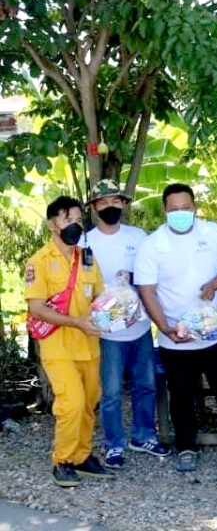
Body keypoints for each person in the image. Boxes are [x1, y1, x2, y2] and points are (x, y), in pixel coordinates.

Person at [134, 183, 217, 473]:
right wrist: (165, 326)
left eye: (185, 208)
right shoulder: (152, 244)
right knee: (182, 396)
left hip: (215, 334)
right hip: (177, 338)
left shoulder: (213, 232)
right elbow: (147, 290)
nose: (180, 214)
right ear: (164, 210)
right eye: (174, 210)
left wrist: (214, 284)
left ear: (195, 207)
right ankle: (186, 446)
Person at [25, 196, 115, 487]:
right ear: (52, 224)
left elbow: (100, 297)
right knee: (72, 403)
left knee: (90, 401)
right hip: (58, 347)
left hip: (89, 345)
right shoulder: (39, 262)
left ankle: (82, 456)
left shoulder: (87, 258)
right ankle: (62, 460)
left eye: (78, 220)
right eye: (67, 220)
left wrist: (116, 307)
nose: (74, 225)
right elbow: (36, 308)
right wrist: (77, 322)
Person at [84, 180, 170, 469]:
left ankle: (143, 435)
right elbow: (82, 286)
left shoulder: (139, 236)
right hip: (107, 330)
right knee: (110, 391)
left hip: (140, 325)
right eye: (104, 202)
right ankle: (114, 445)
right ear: (94, 207)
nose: (111, 206)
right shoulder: (86, 243)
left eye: (115, 201)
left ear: (123, 204)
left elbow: (152, 272)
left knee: (145, 384)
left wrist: (130, 277)